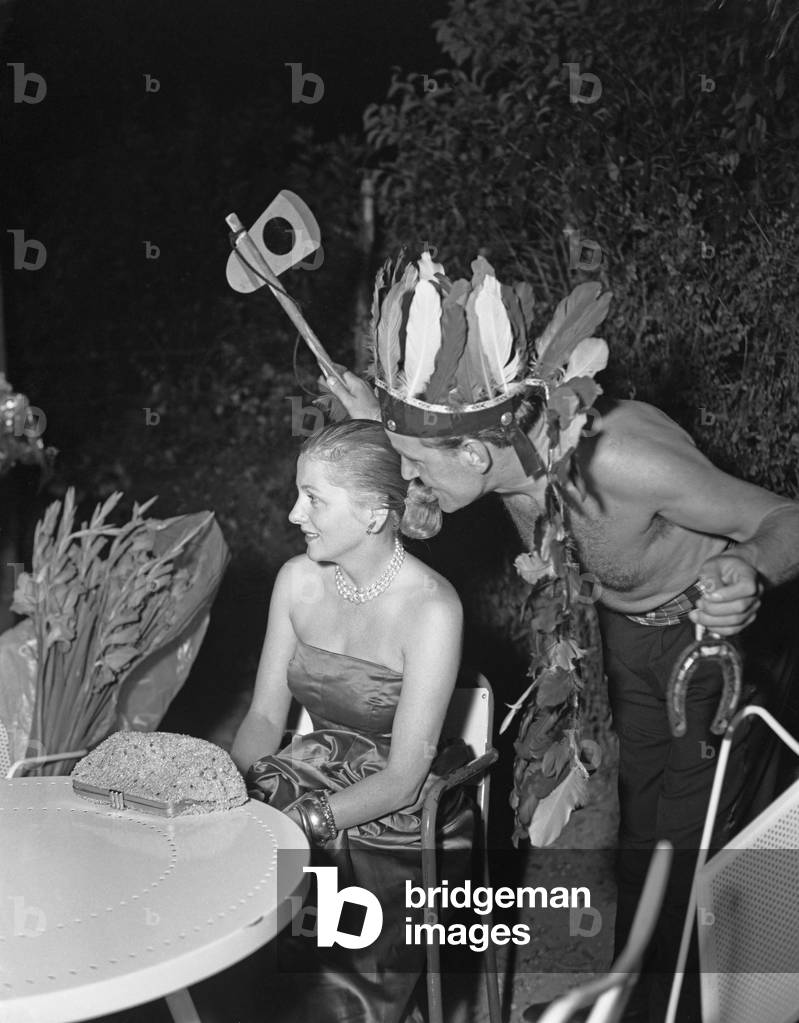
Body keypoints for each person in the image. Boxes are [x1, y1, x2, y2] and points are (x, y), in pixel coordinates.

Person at [320, 252, 799, 1022]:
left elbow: (783, 516)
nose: (405, 482)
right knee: (644, 842)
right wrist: (372, 427)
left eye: (411, 464)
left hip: (707, 650)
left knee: (702, 851)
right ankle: (648, 995)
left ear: (474, 452)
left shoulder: (622, 460)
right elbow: (427, 500)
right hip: (625, 640)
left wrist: (749, 567)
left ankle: (710, 998)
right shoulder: (498, 453)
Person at [231, 419, 473, 1023]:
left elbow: (405, 776)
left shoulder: (432, 609)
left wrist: (305, 821)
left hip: (397, 813)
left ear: (373, 514)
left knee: (331, 975)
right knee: (228, 882)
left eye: (313, 498)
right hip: (309, 771)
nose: (293, 514)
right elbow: (265, 716)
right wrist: (233, 791)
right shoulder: (296, 582)